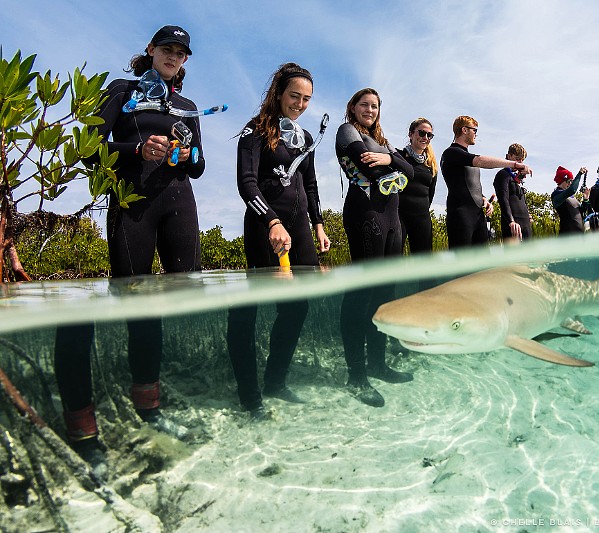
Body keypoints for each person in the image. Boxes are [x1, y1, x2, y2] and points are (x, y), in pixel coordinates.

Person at [54, 24, 203, 468]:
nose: (174, 56)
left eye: (181, 52)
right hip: (132, 203)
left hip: (180, 203)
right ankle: (86, 422)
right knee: (133, 298)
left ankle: (148, 407)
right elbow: (90, 150)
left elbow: (199, 165)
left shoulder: (188, 106)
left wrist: (182, 154)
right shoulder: (123, 89)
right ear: (151, 50)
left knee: (170, 300)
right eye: (167, 49)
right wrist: (140, 150)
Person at [226, 63, 330, 418]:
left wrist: (318, 224)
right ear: (278, 94)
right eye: (294, 96)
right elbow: (247, 183)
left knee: (297, 307)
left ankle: (275, 381)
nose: (300, 104)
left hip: (300, 227)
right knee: (250, 310)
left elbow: (311, 185)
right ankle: (249, 395)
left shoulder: (305, 139)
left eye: (307, 99)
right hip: (263, 225)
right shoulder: (254, 130)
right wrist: (271, 220)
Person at [336, 88, 415, 407]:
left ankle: (377, 364)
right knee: (362, 293)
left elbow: (412, 173)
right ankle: (356, 376)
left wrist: (390, 158)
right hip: (365, 213)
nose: (370, 110)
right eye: (364, 104)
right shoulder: (346, 131)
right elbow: (368, 166)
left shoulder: (382, 141)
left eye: (375, 106)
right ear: (353, 107)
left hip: (392, 217)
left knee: (385, 294)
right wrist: (392, 163)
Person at [440, 116, 531, 248]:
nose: (476, 134)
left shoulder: (465, 158)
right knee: (463, 264)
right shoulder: (451, 153)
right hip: (461, 216)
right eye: (474, 130)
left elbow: (471, 185)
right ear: (464, 130)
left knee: (483, 264)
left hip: (478, 216)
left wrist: (484, 200)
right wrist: (515, 164)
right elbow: (481, 161)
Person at [398, 118, 438, 253]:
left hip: (422, 219)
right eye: (421, 133)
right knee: (393, 259)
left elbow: (430, 194)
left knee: (424, 262)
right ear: (410, 134)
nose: (425, 137)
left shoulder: (431, 166)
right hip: (398, 217)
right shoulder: (397, 157)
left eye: (429, 135)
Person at [493, 144, 533, 243]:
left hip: (525, 224)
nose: (521, 163)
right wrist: (511, 221)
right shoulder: (502, 175)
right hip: (513, 225)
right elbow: (503, 200)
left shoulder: (517, 178)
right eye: (518, 159)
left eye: (522, 160)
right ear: (509, 156)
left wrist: (527, 215)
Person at [551, 166, 590, 235]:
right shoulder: (556, 194)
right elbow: (572, 190)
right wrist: (579, 174)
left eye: (572, 181)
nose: (570, 184)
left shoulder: (571, 197)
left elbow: (582, 211)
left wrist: (585, 199)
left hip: (579, 235)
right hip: (567, 235)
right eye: (569, 181)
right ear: (561, 181)